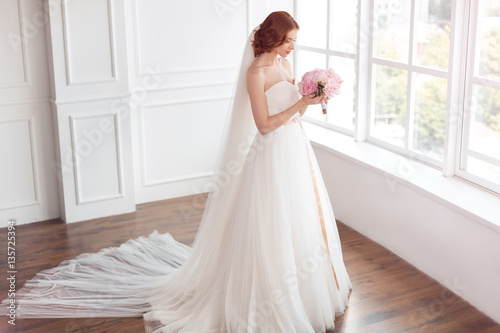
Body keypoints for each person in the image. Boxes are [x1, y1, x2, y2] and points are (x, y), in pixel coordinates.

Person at [2, 11, 351, 332]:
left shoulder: (285, 66)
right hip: (271, 155)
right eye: (288, 40)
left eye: (294, 41)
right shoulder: (256, 73)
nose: (292, 47)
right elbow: (263, 126)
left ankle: (306, 292)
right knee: (269, 225)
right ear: (272, 37)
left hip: (296, 151)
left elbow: (292, 115)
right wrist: (301, 102)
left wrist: (309, 101)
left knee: (299, 221)